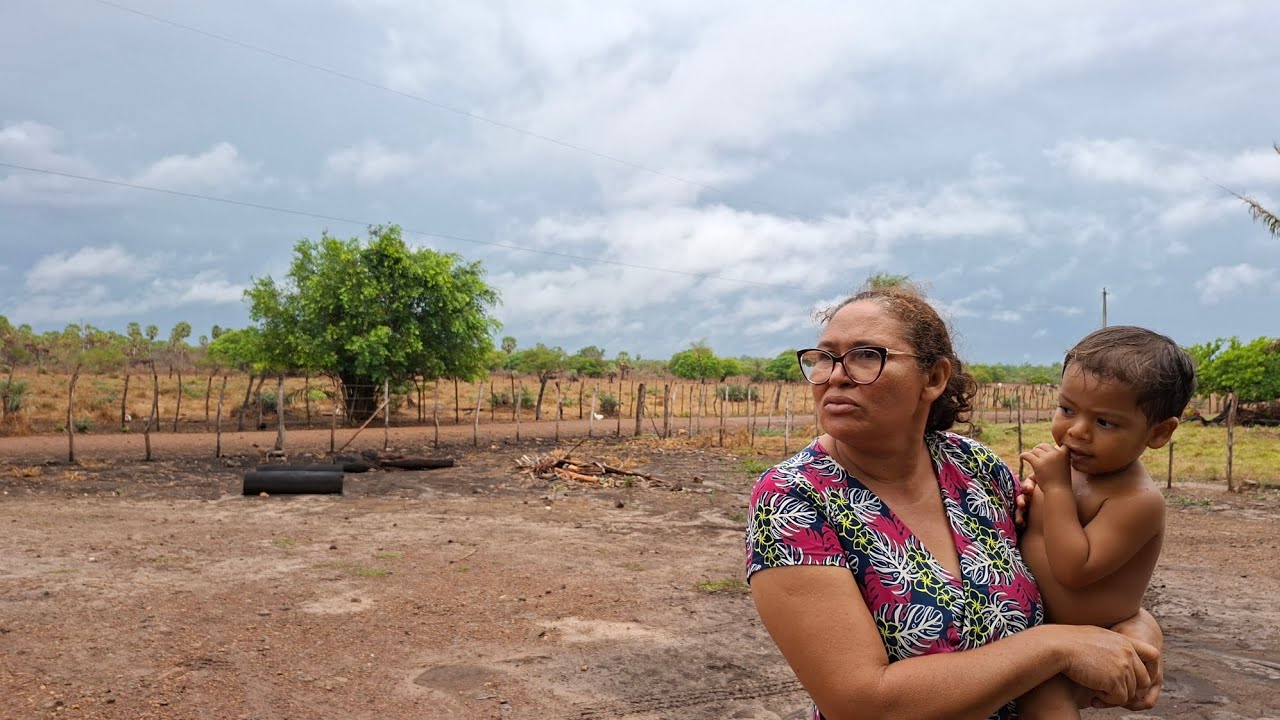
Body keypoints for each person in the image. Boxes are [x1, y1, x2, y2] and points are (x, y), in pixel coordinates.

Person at [745, 283, 1164, 720]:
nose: (835, 375)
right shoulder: (792, 500)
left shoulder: (974, 468)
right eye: (825, 357)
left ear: (933, 378)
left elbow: (1057, 575)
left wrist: (1134, 626)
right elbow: (862, 704)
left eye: (866, 355)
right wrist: (1057, 647)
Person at [1017, 326, 1194, 718]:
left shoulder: (1137, 501)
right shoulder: (1067, 471)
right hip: (1039, 633)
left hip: (1092, 642)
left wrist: (1055, 490)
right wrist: (1028, 497)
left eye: (1105, 423)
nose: (1077, 431)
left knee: (1043, 700)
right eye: (1067, 410)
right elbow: (1042, 528)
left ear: (1159, 432)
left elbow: (1074, 569)